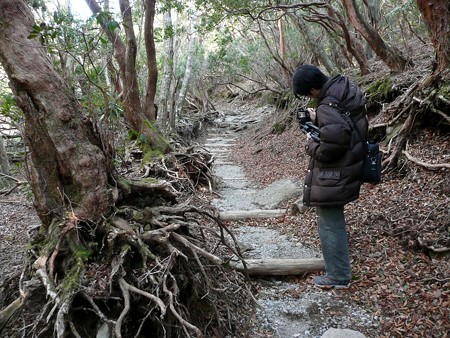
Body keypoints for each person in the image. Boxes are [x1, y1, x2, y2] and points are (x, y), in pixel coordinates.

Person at [292, 64, 368, 288]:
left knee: (329, 222)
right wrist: (318, 122)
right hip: (349, 165)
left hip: (334, 172)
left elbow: (331, 147)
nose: (310, 98)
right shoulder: (344, 89)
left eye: (308, 94)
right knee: (332, 220)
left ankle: (338, 276)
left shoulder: (328, 105)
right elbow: (347, 128)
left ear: (314, 89)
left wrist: (310, 145)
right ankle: (339, 271)